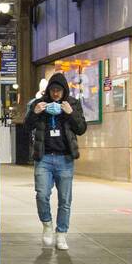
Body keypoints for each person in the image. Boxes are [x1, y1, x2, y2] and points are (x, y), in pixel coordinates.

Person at [25, 72, 87, 250]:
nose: (56, 94)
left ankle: (61, 234)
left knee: (65, 200)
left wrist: (70, 113)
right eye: (53, 90)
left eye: (59, 90)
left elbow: (81, 128)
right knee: (42, 194)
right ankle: (47, 224)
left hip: (65, 159)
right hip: (44, 158)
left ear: (64, 90)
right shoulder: (39, 104)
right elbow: (26, 126)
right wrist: (34, 113)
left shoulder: (72, 104)